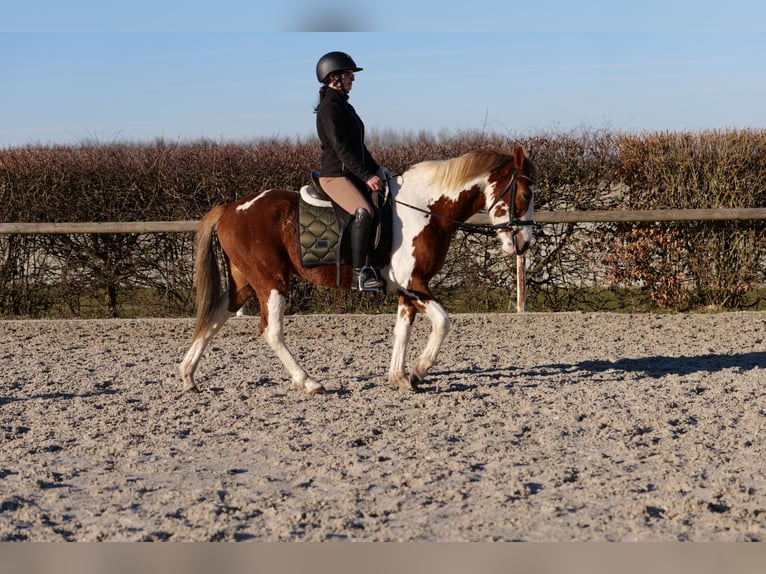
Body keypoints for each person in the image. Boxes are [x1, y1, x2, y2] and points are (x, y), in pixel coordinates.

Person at [314, 50, 386, 291]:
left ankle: (376, 264)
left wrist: (379, 169)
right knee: (364, 211)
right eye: (348, 75)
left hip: (350, 173)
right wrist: (366, 175)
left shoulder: (344, 106)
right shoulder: (329, 108)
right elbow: (342, 148)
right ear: (334, 77)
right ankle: (359, 274)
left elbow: (359, 147)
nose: (352, 79)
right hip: (335, 176)